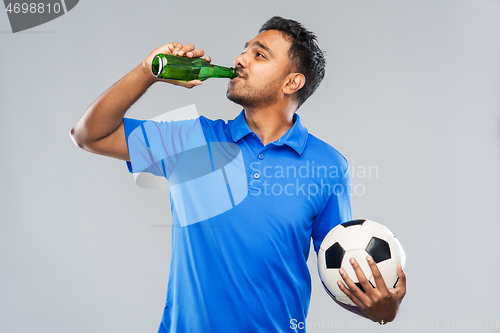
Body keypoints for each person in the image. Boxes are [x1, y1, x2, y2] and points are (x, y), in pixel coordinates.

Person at [70, 16, 406, 332]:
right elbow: (89, 135)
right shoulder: (192, 140)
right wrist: (148, 71)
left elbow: (340, 271)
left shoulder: (329, 165)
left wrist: (381, 312)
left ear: (292, 82)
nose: (241, 59)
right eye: (245, 50)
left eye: (259, 55)